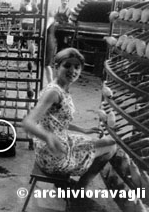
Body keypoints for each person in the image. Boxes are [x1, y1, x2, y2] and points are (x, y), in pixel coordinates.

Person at [22, 48, 116, 192]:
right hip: (54, 156)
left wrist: (82, 129)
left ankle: (66, 186)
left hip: (52, 148)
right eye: (67, 65)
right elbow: (28, 122)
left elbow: (56, 121)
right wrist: (48, 137)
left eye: (77, 67)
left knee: (103, 141)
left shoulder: (61, 88)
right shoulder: (54, 93)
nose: (73, 70)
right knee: (110, 147)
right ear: (56, 66)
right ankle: (79, 191)